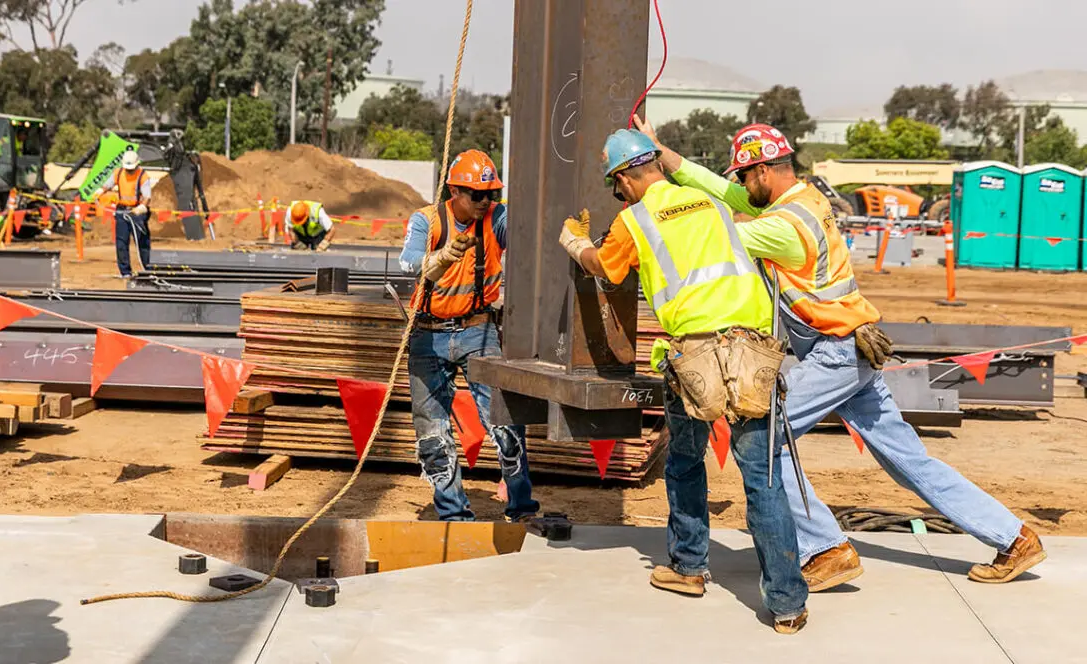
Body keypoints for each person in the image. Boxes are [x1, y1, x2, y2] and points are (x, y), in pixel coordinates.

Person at [639, 117, 1046, 590]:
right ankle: (1014, 537)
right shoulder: (804, 199)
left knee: (768, 440)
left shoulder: (783, 227)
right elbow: (724, 195)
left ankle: (826, 549)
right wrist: (663, 156)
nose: (741, 186)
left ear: (765, 172)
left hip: (835, 354)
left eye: (745, 177)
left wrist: (656, 193)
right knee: (909, 460)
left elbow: (713, 234)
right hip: (853, 347)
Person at [558, 129, 809, 634]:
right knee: (762, 480)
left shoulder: (635, 219)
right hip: (751, 350)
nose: (617, 195)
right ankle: (786, 603)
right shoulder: (708, 202)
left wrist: (577, 244)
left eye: (615, 185)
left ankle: (690, 567)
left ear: (626, 176)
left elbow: (607, 271)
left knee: (685, 460)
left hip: (694, 356)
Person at [398, 150, 540, 523]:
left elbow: (526, 235)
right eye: (477, 195)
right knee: (433, 435)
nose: (485, 202)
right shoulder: (426, 221)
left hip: (478, 331)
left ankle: (521, 507)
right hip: (428, 335)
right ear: (454, 191)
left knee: (506, 424)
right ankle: (453, 515)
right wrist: (442, 256)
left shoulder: (497, 218)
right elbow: (410, 261)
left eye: (490, 194)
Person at [99, 149, 152, 277]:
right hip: (122, 210)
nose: (129, 171)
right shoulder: (118, 173)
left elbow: (147, 197)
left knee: (142, 242)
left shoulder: (143, 176)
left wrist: (141, 207)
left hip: (137, 212)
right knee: (121, 242)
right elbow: (107, 185)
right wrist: (99, 193)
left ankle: (148, 269)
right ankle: (125, 271)